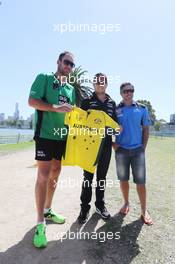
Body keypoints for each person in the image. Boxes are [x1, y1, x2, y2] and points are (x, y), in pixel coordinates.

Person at [28, 51, 76, 248]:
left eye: (72, 64)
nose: (69, 66)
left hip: (62, 137)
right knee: (43, 174)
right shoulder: (44, 78)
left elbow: (71, 114)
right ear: (58, 62)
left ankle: (48, 210)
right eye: (66, 62)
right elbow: (32, 102)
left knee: (56, 171)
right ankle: (40, 223)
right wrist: (55, 107)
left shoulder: (71, 89)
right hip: (45, 135)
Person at [77, 73, 118, 224]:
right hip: (89, 147)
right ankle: (84, 208)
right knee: (88, 178)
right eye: (97, 82)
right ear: (94, 84)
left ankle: (100, 206)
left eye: (103, 82)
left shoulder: (111, 103)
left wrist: (117, 131)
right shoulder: (87, 101)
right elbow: (79, 122)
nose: (100, 84)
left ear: (106, 84)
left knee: (101, 178)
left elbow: (115, 124)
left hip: (106, 146)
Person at [113, 82, 153, 225]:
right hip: (121, 151)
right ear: (121, 93)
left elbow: (146, 129)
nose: (128, 93)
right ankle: (126, 203)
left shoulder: (142, 109)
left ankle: (144, 210)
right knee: (123, 180)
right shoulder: (116, 110)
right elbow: (107, 128)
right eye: (125, 91)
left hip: (138, 151)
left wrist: (143, 147)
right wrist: (114, 145)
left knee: (141, 182)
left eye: (131, 90)